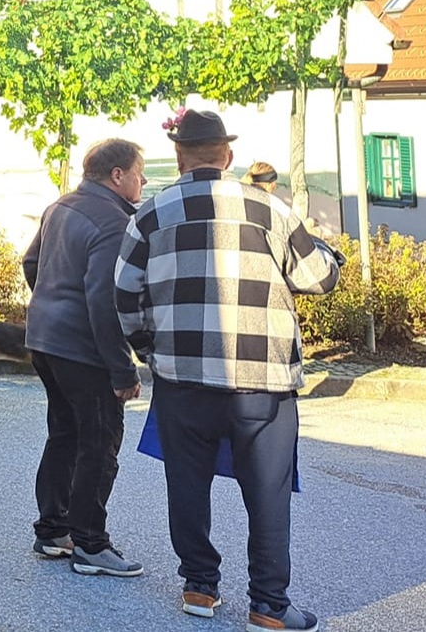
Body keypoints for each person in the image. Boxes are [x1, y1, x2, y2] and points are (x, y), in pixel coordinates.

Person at [115, 109, 345, 630]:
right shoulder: (270, 209)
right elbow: (316, 278)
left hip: (183, 379)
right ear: (228, 155)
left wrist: (151, 349)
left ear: (178, 156)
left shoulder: (148, 215)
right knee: (268, 491)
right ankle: (269, 605)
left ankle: (199, 587)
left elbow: (125, 297)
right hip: (262, 381)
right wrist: (330, 257)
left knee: (187, 486)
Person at [22, 138, 147, 579]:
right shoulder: (112, 222)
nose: (143, 180)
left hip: (44, 339)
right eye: (138, 171)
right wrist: (122, 369)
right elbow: (104, 301)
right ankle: (91, 543)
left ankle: (54, 530)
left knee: (65, 435)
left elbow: (31, 262)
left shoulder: (61, 206)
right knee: (99, 442)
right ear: (117, 175)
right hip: (83, 347)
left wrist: (52, 303)